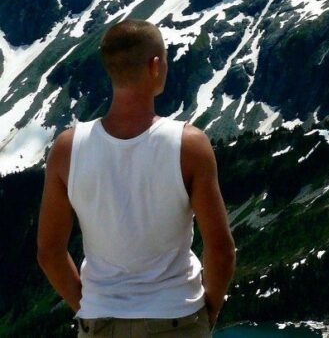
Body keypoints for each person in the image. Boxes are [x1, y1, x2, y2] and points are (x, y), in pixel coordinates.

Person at [37, 20, 237, 336]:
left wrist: (90, 307)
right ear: (155, 66)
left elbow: (49, 252)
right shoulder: (189, 145)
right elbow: (221, 249)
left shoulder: (66, 149)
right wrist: (205, 315)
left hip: (100, 320)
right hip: (177, 317)